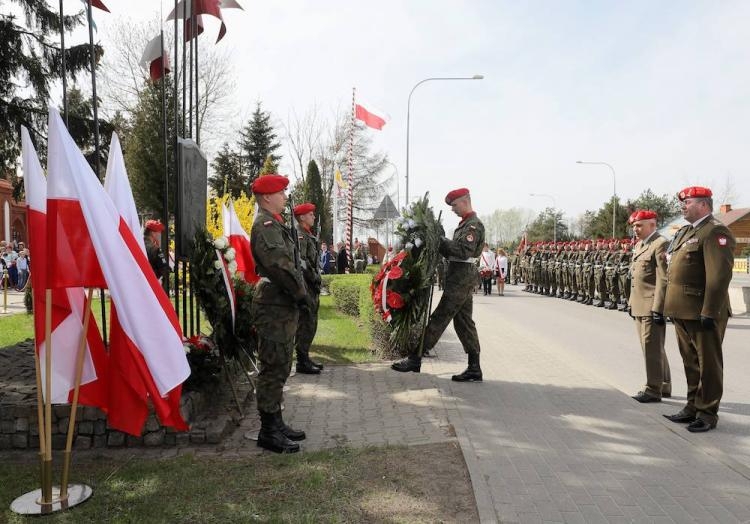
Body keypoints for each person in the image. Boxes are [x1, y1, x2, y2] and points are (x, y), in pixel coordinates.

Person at [392, 188, 485, 382]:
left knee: (440, 317)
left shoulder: (473, 226)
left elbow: (463, 251)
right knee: (464, 323)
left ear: (465, 201)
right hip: (460, 278)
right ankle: (474, 368)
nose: (452, 209)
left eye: (454, 205)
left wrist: (438, 239)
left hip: (461, 280)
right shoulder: (465, 224)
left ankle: (415, 358)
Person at [663, 186, 735, 433]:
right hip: (682, 310)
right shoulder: (686, 232)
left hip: (702, 311)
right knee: (691, 363)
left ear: (704, 204)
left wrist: (709, 311)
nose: (683, 206)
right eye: (682, 203)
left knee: (709, 364)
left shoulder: (715, 231)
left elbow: (718, 276)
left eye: (688, 202)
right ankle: (692, 406)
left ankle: (707, 413)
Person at [250, 174, 309, 453]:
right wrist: (300, 294)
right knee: (273, 366)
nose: (285, 197)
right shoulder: (266, 225)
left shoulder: (276, 224)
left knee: (282, 362)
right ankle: (268, 431)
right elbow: (281, 266)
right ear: (266, 197)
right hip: (275, 303)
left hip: (280, 303)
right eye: (280, 193)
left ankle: (277, 422)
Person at [628, 210, 672, 403]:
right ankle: (664, 385)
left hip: (651, 305)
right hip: (639, 303)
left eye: (639, 225)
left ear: (652, 225)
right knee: (654, 348)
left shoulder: (660, 243)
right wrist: (630, 303)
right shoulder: (640, 245)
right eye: (634, 226)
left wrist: (658, 308)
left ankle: (653, 390)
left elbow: (664, 278)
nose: (635, 229)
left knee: (651, 348)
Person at [293, 202, 324, 375]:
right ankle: (302, 360)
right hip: (306, 284)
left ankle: (305, 357)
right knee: (306, 322)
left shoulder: (308, 234)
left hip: (311, 285)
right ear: (302, 217)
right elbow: (302, 262)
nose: (313, 217)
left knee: (311, 322)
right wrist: (314, 278)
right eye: (310, 214)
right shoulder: (300, 235)